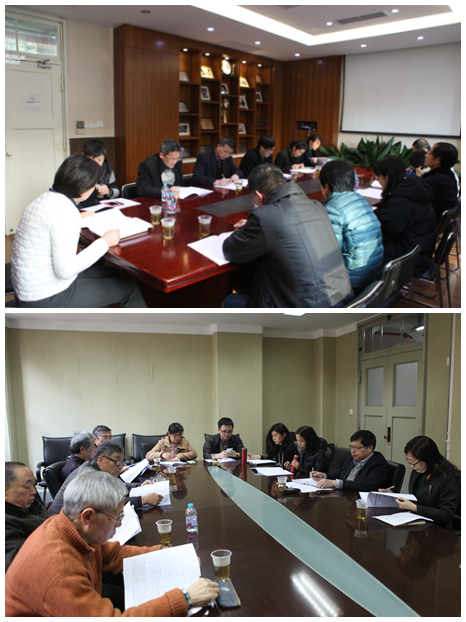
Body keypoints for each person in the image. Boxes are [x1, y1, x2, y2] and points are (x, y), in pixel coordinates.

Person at [5, 470, 219, 616]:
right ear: (88, 516)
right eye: (116, 517)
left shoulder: (69, 526)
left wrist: (162, 552)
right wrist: (185, 598)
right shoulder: (59, 570)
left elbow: (112, 555)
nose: (119, 524)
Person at [11, 154, 147, 308]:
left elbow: (52, 224)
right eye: (94, 184)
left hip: (30, 288)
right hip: (46, 298)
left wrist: (77, 217)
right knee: (129, 287)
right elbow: (65, 271)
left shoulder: (45, 199)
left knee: (113, 273)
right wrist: (104, 242)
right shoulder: (65, 212)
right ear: (83, 188)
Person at [222, 163, 353, 308]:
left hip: (303, 314)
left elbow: (230, 250)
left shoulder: (264, 217)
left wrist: (251, 228)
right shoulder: (317, 207)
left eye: (254, 200)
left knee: (230, 301)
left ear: (259, 195)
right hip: (344, 302)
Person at [320, 159, 384, 290]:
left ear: (326, 186)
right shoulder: (361, 199)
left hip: (353, 280)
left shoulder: (333, 209)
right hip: (373, 271)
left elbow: (330, 255)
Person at [50, 442, 162, 515]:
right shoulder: (89, 475)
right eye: (117, 462)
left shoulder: (97, 468)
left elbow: (116, 484)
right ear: (101, 460)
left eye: (122, 462)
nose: (120, 467)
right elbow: (108, 504)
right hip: (63, 525)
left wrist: (139, 486)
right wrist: (142, 500)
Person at [380, 436, 460, 531]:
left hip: (437, 530)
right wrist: (394, 496)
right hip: (417, 524)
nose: (412, 466)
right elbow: (416, 499)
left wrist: (415, 508)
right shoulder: (417, 472)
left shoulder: (448, 478)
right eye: (409, 461)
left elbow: (446, 515)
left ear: (427, 458)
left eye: (414, 462)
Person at [373, 155, 436, 273]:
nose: (377, 180)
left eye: (378, 176)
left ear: (387, 176)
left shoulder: (402, 202)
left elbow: (382, 231)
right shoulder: (409, 191)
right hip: (416, 250)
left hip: (408, 259)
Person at [5, 462, 50, 571]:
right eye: (27, 487)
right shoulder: (7, 524)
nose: (34, 491)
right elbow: (18, 565)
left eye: (33, 485)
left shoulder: (32, 505)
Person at [311, 430, 389, 491]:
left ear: (370, 448)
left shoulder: (379, 463)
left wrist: (334, 483)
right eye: (351, 447)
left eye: (356, 448)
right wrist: (323, 475)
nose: (352, 451)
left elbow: (366, 485)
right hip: (344, 495)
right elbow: (340, 474)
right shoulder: (352, 458)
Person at [418, 143, 459, 223]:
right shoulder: (449, 176)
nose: (426, 155)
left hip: (427, 224)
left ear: (438, 160)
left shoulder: (433, 182)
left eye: (429, 153)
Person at [80, 139, 120, 207]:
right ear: (83, 156)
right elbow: (71, 198)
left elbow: (116, 191)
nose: (96, 163)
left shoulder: (107, 170)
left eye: (100, 160)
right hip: (83, 208)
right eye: (92, 159)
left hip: (103, 207)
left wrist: (108, 191)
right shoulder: (77, 171)